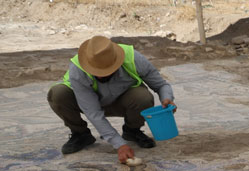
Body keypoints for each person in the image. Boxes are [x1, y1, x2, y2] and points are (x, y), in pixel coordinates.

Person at [49, 36, 175, 164]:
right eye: (97, 70)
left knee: (143, 97)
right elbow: (93, 113)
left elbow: (160, 85)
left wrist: (167, 98)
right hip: (88, 103)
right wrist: (119, 145)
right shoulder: (78, 69)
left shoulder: (133, 58)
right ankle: (81, 134)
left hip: (122, 100)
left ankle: (132, 131)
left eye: (107, 70)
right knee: (58, 94)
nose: (101, 74)